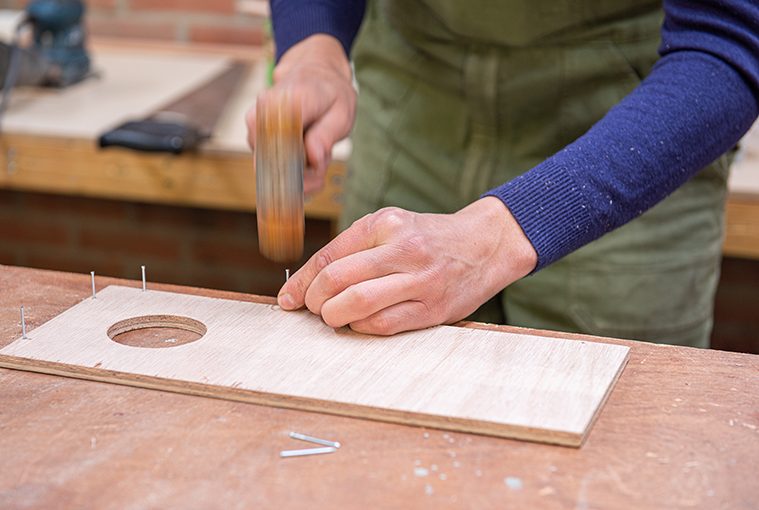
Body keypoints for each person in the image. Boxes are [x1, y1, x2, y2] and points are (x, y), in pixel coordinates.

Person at [246, 0, 759, 346]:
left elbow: (729, 44)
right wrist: (313, 49)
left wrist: (496, 238)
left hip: (629, 136)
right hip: (414, 102)